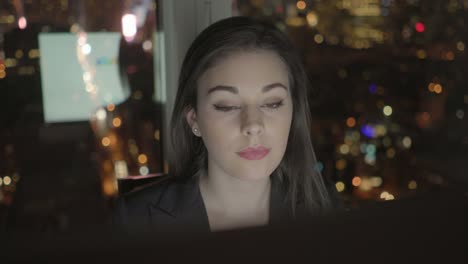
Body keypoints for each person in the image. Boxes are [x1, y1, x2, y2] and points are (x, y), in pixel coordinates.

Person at [112, 16, 341, 234]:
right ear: (194, 120)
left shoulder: (322, 207)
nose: (253, 125)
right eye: (227, 106)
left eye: (272, 103)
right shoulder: (136, 222)